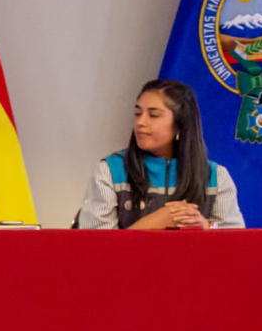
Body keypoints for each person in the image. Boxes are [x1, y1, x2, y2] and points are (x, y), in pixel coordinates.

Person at [77, 79, 243, 229]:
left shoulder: (216, 177)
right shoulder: (110, 171)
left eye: (153, 115)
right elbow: (95, 250)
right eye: (137, 113)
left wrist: (206, 226)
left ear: (180, 124)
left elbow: (239, 245)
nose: (140, 122)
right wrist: (153, 222)